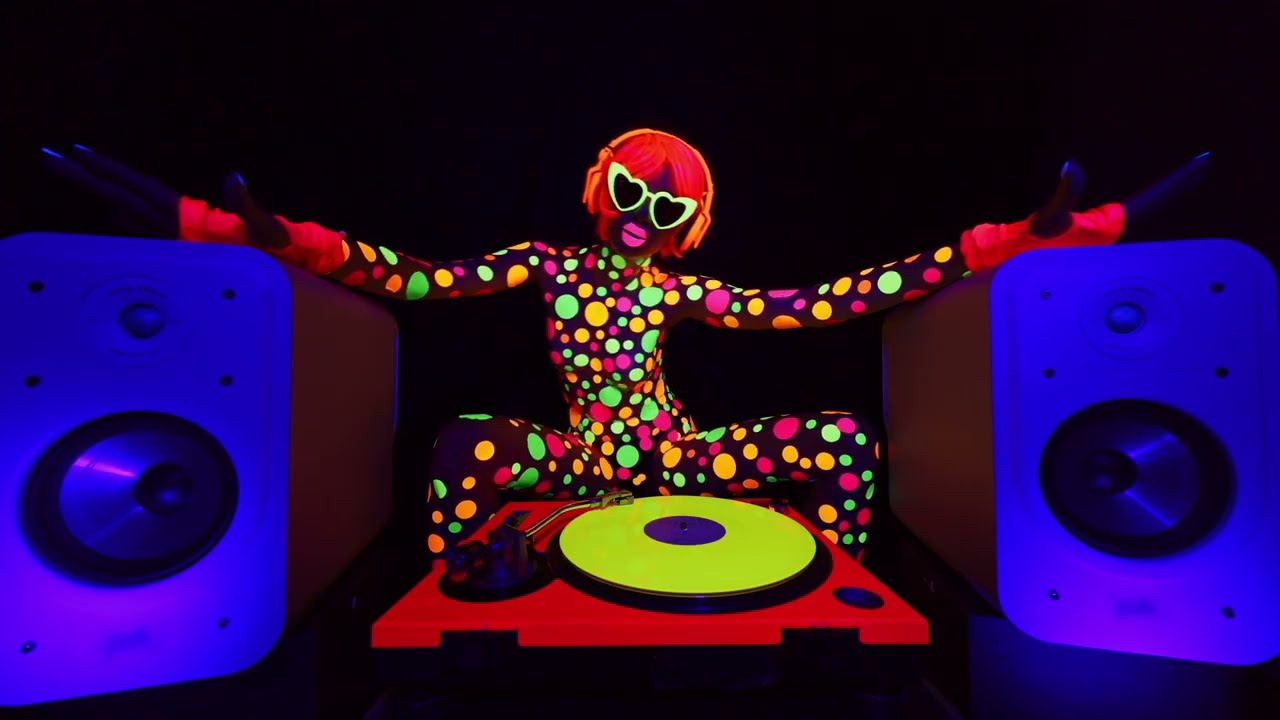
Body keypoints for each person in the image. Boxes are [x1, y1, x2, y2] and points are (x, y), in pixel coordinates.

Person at [41, 130, 1208, 560]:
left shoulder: (681, 292)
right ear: (604, 191)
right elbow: (411, 279)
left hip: (680, 459)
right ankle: (462, 600)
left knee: (845, 441)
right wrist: (275, 237)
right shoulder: (547, 265)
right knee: (458, 447)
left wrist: (993, 246)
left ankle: (835, 584)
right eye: (634, 197)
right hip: (578, 457)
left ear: (687, 223)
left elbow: (822, 303)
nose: (646, 220)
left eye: (668, 207)